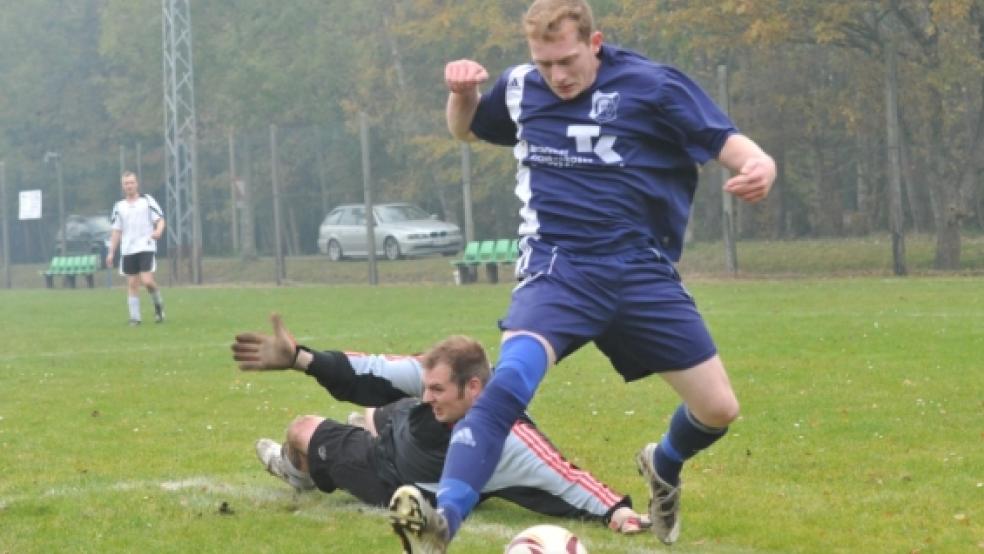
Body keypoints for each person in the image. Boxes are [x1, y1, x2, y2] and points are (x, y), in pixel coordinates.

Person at [389, 1, 777, 551]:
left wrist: (760, 164)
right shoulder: (522, 87)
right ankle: (443, 520)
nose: (558, 76)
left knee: (717, 410)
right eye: (545, 63)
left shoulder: (652, 85)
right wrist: (463, 94)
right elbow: (466, 130)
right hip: (558, 268)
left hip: (640, 272)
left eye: (568, 60)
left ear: (595, 43)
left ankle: (663, 464)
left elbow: (728, 143)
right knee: (506, 386)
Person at [230, 314, 648, 536]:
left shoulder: (509, 441)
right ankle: (344, 438)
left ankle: (299, 471)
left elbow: (566, 476)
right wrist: (301, 358)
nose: (427, 396)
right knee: (381, 408)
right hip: (402, 431)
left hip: (394, 474)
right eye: (426, 386)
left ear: (474, 388)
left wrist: (619, 511)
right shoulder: (431, 385)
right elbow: (363, 368)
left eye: (438, 390)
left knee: (302, 428)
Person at [106, 171, 166, 325]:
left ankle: (159, 306)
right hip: (128, 249)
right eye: (126, 183)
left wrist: (158, 231)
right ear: (123, 186)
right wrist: (111, 252)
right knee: (132, 284)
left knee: (147, 281)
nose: (129, 186)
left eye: (132, 182)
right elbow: (116, 230)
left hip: (146, 246)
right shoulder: (119, 207)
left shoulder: (147, 201)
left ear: (137, 184)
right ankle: (135, 317)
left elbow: (160, 220)